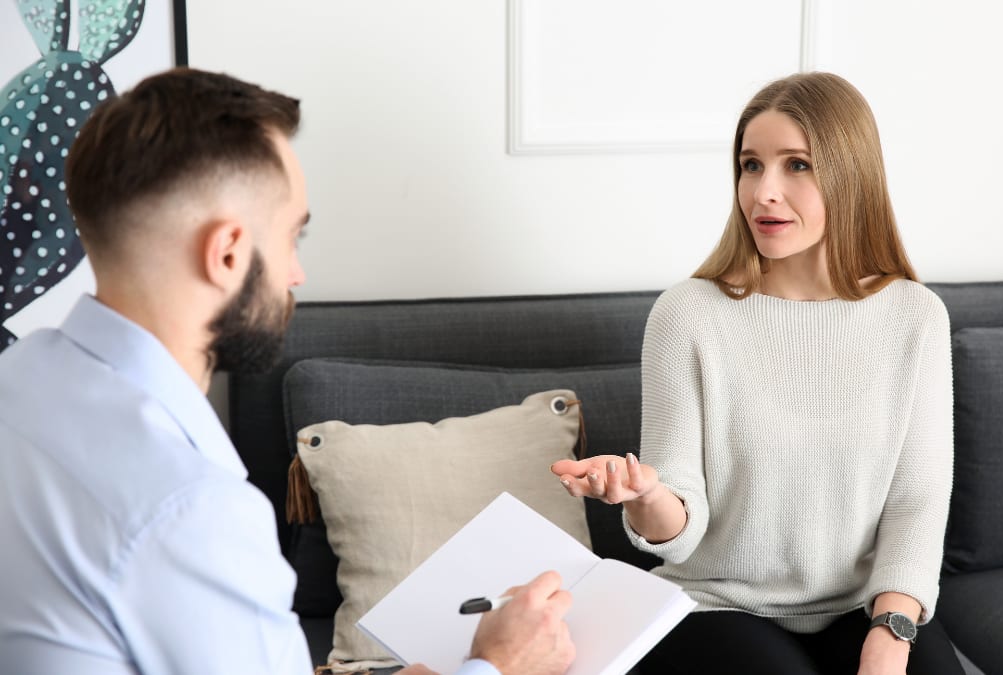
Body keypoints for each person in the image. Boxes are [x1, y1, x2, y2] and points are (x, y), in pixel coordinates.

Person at [0, 68, 574, 675]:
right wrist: (498, 666)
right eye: (291, 238)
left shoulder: (21, 380)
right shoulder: (189, 509)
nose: (296, 274)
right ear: (225, 254)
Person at [552, 72, 963, 675]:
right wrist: (646, 496)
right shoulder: (687, 314)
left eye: (796, 165)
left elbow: (918, 503)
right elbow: (681, 529)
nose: (763, 191)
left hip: (861, 605)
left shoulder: (915, 318)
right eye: (751, 165)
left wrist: (890, 632)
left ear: (851, 175)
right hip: (713, 606)